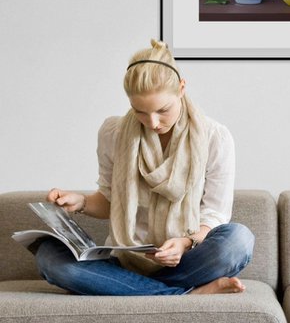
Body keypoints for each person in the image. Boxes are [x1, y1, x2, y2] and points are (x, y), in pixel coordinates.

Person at [34, 40, 255, 296]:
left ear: (182, 89)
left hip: (186, 260)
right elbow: (110, 201)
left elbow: (214, 214)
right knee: (48, 257)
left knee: (238, 240)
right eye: (140, 111)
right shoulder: (113, 133)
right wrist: (80, 202)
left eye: (163, 110)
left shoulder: (215, 137)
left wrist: (184, 243)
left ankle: (130, 290)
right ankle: (184, 295)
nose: (152, 122)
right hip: (124, 261)